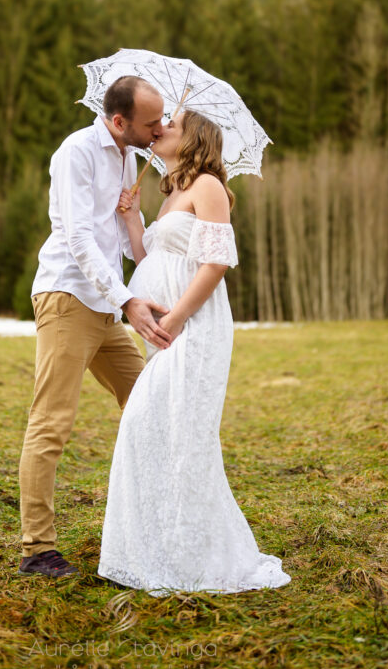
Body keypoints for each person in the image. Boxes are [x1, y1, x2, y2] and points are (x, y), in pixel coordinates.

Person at [98, 109, 292, 595]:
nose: (159, 127)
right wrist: (132, 218)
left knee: (172, 431)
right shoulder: (173, 194)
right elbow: (154, 260)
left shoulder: (206, 186)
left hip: (194, 329)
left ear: (195, 139)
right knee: (159, 430)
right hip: (167, 330)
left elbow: (215, 262)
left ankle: (191, 555)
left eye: (171, 124)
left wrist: (178, 318)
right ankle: (160, 545)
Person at [18, 75, 173, 579]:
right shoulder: (76, 153)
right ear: (119, 120)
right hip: (68, 297)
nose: (161, 130)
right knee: (52, 423)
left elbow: (128, 249)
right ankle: (38, 550)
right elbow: (79, 241)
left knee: (147, 400)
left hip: (105, 307)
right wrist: (127, 300)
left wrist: (132, 218)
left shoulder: (129, 157)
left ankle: (154, 521)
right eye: (152, 123)